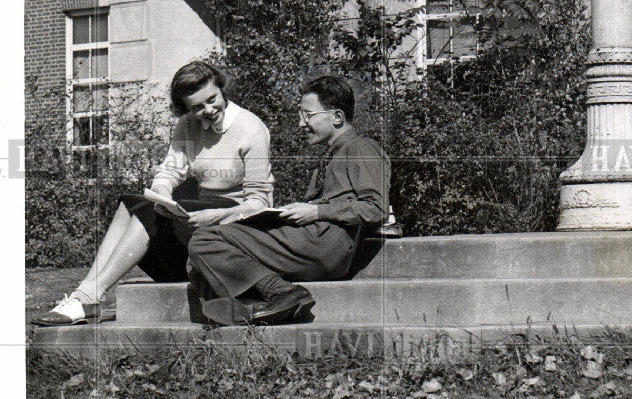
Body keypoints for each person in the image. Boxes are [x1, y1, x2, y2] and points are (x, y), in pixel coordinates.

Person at [34, 60, 274, 326]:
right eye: (196, 107)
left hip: (233, 229)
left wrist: (215, 215)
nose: (208, 110)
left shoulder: (251, 129)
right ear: (186, 108)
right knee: (132, 204)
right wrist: (162, 193)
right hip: (199, 219)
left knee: (147, 215)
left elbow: (259, 202)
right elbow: (170, 172)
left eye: (212, 99)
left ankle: (90, 296)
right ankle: (85, 294)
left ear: (222, 88)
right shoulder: (187, 125)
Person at [188, 75, 389, 326]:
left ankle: (281, 294)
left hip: (325, 242)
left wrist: (316, 212)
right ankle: (257, 306)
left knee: (206, 239)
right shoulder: (333, 154)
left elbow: (376, 208)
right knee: (199, 259)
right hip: (315, 240)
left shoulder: (361, 148)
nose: (301, 123)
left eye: (308, 115)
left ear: (337, 117)